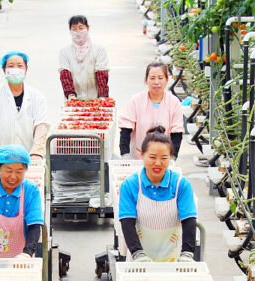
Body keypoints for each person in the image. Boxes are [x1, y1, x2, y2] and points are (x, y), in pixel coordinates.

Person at [118, 127, 197, 262]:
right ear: (142, 155)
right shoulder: (130, 185)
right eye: (152, 157)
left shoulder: (180, 185)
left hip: (174, 259)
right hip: (139, 261)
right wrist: (138, 254)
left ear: (170, 158)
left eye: (164, 158)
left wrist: (187, 254)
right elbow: (127, 222)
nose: (158, 163)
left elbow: (189, 220)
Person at [0, 51, 49, 163]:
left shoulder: (37, 97)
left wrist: (36, 155)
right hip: (3, 159)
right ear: (4, 70)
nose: (15, 69)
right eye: (11, 66)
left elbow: (41, 126)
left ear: (26, 70)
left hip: (30, 158)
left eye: (19, 66)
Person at [118, 62, 184, 160]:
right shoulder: (136, 100)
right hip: (138, 157)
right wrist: (125, 155)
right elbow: (125, 129)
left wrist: (172, 158)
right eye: (152, 78)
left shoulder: (174, 102)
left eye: (160, 78)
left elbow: (177, 133)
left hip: (163, 159)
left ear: (166, 80)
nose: (156, 82)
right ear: (146, 80)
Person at [58, 15, 110, 100]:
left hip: (95, 98)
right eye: (74, 29)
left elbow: (101, 74)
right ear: (70, 31)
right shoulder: (64, 52)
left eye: (81, 28)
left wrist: (102, 97)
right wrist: (71, 96)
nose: (77, 31)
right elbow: (65, 75)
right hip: (74, 100)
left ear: (88, 28)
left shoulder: (99, 49)